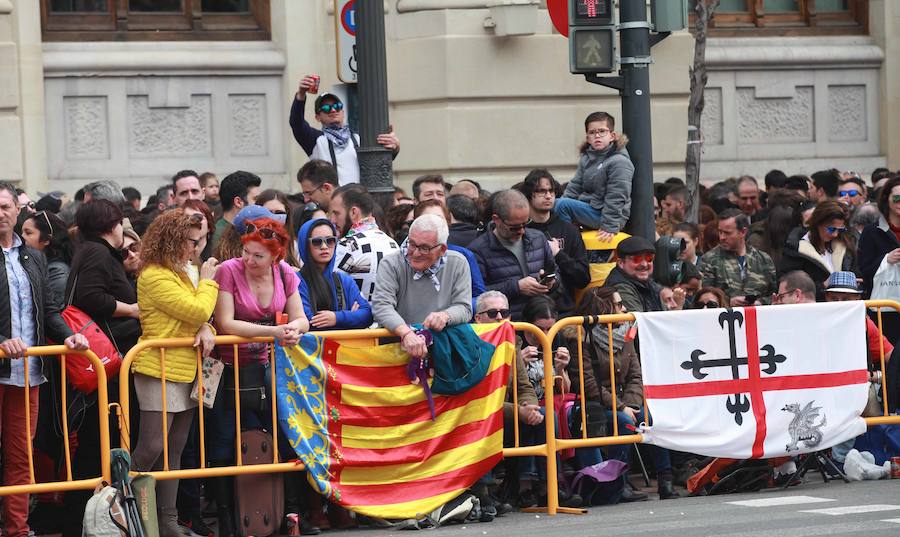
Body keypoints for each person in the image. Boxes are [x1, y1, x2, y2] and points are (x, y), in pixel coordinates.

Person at [211, 217, 309, 537]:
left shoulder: (285, 273)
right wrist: (274, 331)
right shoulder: (228, 270)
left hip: (272, 369)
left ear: (277, 257)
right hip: (229, 369)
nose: (248, 260)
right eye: (246, 251)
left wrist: (293, 330)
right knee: (225, 445)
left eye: (257, 256)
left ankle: (290, 514)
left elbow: (302, 319)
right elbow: (226, 323)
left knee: (286, 436)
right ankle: (228, 521)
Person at [0, 182, 88, 537]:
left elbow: (48, 310)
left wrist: (68, 335)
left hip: (28, 372)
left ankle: (17, 529)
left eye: (5, 206)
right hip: (3, 364)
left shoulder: (32, 256)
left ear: (17, 211)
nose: (0, 213)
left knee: (22, 457)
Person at [131, 209, 219, 537]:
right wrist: (208, 283)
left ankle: (167, 521)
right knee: (152, 446)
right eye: (190, 242)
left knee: (176, 447)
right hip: (158, 367)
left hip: (186, 367)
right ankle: (132, 513)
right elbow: (196, 307)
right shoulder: (154, 275)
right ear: (173, 240)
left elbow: (194, 316)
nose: (195, 249)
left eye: (197, 242)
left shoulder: (181, 273)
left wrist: (207, 328)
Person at [569, 286, 678, 499]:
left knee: (651, 417)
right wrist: (621, 407)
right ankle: (620, 482)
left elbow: (636, 376)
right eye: (619, 305)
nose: (624, 309)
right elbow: (588, 383)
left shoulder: (625, 335)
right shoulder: (580, 338)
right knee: (623, 421)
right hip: (597, 404)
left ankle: (666, 479)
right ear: (603, 308)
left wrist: (632, 404)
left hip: (627, 400)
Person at [371, 214, 473, 359]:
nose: (416, 253)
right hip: (396, 348)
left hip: (442, 349)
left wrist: (445, 316)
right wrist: (406, 333)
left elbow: (464, 307)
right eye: (412, 244)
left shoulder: (458, 263)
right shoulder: (391, 263)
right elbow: (381, 306)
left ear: (442, 249)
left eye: (424, 248)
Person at [469, 189, 558, 320]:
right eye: (515, 227)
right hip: (504, 325)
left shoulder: (538, 238)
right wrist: (516, 287)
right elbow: (478, 295)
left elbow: (555, 271)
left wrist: (551, 282)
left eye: (526, 223)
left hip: (539, 322)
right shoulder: (478, 250)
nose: (521, 231)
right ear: (496, 220)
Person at [290, 78, 399, 185]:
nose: (333, 110)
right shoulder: (315, 140)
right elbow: (296, 124)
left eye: (337, 106)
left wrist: (394, 147)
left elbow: (379, 158)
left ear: (343, 112)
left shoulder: (358, 138)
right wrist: (301, 95)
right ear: (318, 117)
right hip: (333, 200)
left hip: (360, 198)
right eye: (326, 108)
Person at [518, 169, 590, 317]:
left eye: (551, 191)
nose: (548, 196)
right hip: (527, 313)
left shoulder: (569, 230)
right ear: (528, 195)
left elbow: (583, 278)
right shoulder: (519, 229)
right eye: (541, 191)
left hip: (563, 313)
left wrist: (558, 254)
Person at [555, 111, 633, 239]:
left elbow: (617, 195)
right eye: (592, 132)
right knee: (557, 204)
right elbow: (575, 186)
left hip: (608, 217)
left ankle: (568, 241)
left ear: (612, 136)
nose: (597, 136)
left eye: (602, 131)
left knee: (562, 205)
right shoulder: (587, 158)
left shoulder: (619, 161)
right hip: (590, 209)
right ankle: (570, 236)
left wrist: (609, 225)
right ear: (587, 138)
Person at [297, 218, 373, 330]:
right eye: (317, 241)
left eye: (330, 241)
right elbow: (309, 321)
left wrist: (337, 318)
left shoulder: (344, 280)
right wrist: (350, 319)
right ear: (305, 245)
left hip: (346, 347)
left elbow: (367, 315)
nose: (324, 246)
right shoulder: (296, 281)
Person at [330, 186, 400, 302]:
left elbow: (330, 289)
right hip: (389, 318)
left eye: (336, 214)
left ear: (353, 212)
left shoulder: (347, 245)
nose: (332, 220)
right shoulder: (392, 243)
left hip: (354, 318)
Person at [414, 200, 486, 309]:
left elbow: (479, 296)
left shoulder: (463, 255)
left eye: (439, 219)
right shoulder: (405, 257)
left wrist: (454, 309)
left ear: (448, 224)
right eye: (427, 220)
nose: (434, 225)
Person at [779, 200, 857, 299]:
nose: (835, 234)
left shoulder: (845, 246)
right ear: (817, 224)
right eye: (831, 229)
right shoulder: (795, 250)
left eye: (840, 229)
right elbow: (789, 289)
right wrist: (823, 286)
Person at [698, 209, 777, 306]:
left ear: (743, 232)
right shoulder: (709, 260)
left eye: (727, 233)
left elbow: (774, 295)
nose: (722, 237)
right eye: (720, 232)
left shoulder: (763, 260)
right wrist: (728, 301)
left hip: (758, 316)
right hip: (725, 317)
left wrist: (760, 302)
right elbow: (703, 296)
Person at [21, 210, 72, 308]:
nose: (22, 237)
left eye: (28, 233)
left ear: (46, 240)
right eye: (22, 233)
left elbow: (51, 310)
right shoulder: (34, 264)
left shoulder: (57, 271)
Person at [604, 236, 662, 314]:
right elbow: (640, 322)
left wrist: (676, 306)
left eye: (649, 259)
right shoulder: (620, 288)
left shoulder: (649, 284)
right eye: (637, 259)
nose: (644, 264)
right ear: (621, 263)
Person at [211, 170, 262, 252]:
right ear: (238, 202)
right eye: (256, 199)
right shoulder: (219, 236)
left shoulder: (249, 230)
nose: (261, 205)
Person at [255, 189, 302, 268]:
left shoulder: (295, 247)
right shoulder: (248, 243)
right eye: (268, 212)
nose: (273, 218)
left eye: (279, 213)